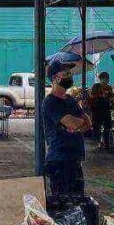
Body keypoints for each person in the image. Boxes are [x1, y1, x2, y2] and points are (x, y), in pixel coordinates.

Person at [41, 53, 91, 205]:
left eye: (69, 73)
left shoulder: (70, 100)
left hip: (75, 159)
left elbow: (87, 123)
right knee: (63, 203)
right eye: (66, 74)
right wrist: (77, 123)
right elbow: (74, 124)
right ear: (55, 78)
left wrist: (77, 123)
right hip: (59, 161)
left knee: (78, 201)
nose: (70, 76)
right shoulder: (50, 102)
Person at [87, 71, 114, 150]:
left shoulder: (109, 87)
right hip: (97, 109)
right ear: (101, 79)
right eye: (106, 79)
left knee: (107, 127)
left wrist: (110, 97)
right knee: (97, 127)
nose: (107, 80)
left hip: (106, 109)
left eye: (108, 79)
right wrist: (100, 95)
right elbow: (91, 96)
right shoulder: (95, 86)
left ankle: (106, 143)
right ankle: (98, 142)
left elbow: (111, 97)